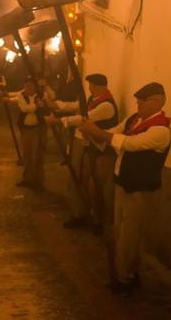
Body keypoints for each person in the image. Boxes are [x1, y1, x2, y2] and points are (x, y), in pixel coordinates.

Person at [77, 82, 171, 297]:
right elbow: (112, 133)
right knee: (121, 231)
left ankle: (125, 277)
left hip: (139, 189)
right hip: (123, 183)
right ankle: (124, 271)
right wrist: (93, 133)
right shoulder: (133, 119)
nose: (137, 104)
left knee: (131, 235)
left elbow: (129, 143)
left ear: (156, 102)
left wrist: (96, 132)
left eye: (141, 101)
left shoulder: (160, 130)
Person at [50, 73, 118, 233]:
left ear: (101, 87)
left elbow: (84, 118)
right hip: (90, 148)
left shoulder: (106, 105)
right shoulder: (92, 100)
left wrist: (60, 120)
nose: (90, 89)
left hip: (102, 152)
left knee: (99, 187)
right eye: (89, 86)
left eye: (92, 86)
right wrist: (57, 105)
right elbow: (76, 106)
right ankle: (84, 215)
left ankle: (101, 221)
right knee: (84, 182)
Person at [5, 79, 48, 189]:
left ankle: (38, 180)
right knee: (27, 155)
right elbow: (24, 109)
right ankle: (28, 179)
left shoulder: (42, 94)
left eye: (30, 86)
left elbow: (51, 99)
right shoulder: (21, 96)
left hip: (39, 129)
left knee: (37, 155)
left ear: (34, 86)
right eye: (26, 86)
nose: (28, 89)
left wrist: (46, 87)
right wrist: (37, 106)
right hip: (26, 129)